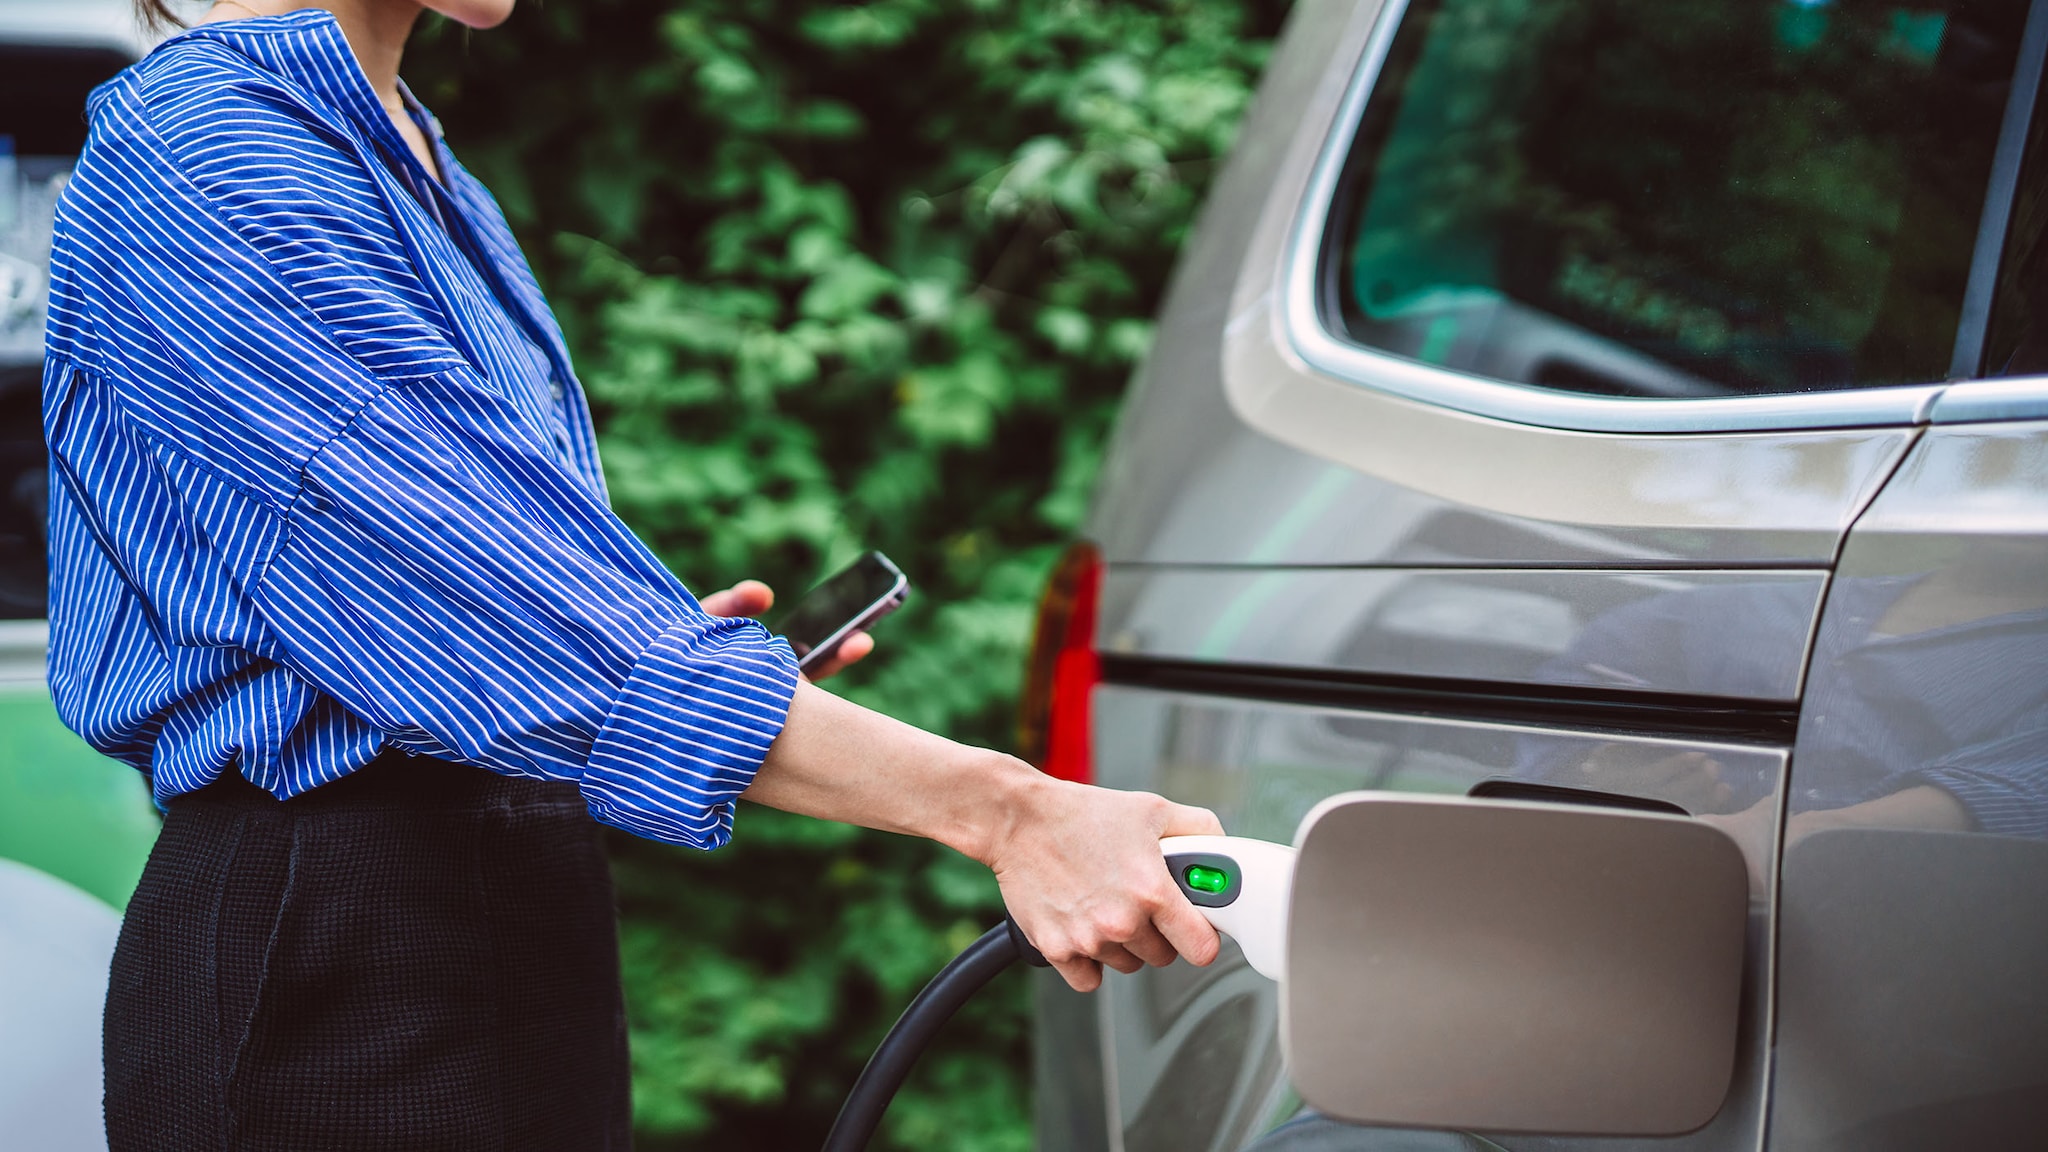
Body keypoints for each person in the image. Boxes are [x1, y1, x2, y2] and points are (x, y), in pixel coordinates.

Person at [51, 1, 1223, 1147]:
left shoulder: (400, 141)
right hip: (338, 946)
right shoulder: (210, 141)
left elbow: (463, 588)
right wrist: (1014, 815)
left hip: (494, 905)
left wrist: (628, 639)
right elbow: (494, 598)